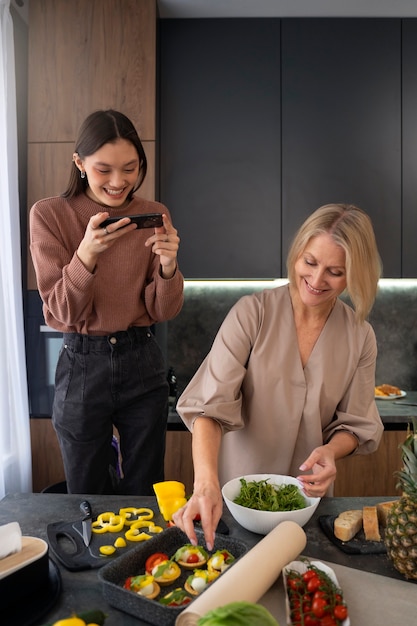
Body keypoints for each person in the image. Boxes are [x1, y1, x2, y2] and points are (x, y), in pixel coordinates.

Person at [173, 204, 384, 549]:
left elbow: (355, 423)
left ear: (354, 275)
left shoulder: (360, 336)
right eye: (310, 263)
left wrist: (331, 451)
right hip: (235, 502)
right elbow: (207, 410)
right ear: (297, 253)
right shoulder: (251, 314)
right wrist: (205, 484)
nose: (316, 281)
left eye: (335, 271)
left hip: (307, 506)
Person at [30, 109, 184, 495]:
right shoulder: (50, 215)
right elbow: (62, 312)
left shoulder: (155, 214)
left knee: (146, 491)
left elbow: (163, 311)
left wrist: (168, 267)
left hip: (141, 358)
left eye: (130, 168)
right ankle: (91, 559)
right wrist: (85, 255)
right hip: (82, 364)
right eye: (104, 169)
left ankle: (141, 558)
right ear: (79, 163)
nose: (119, 182)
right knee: (85, 493)